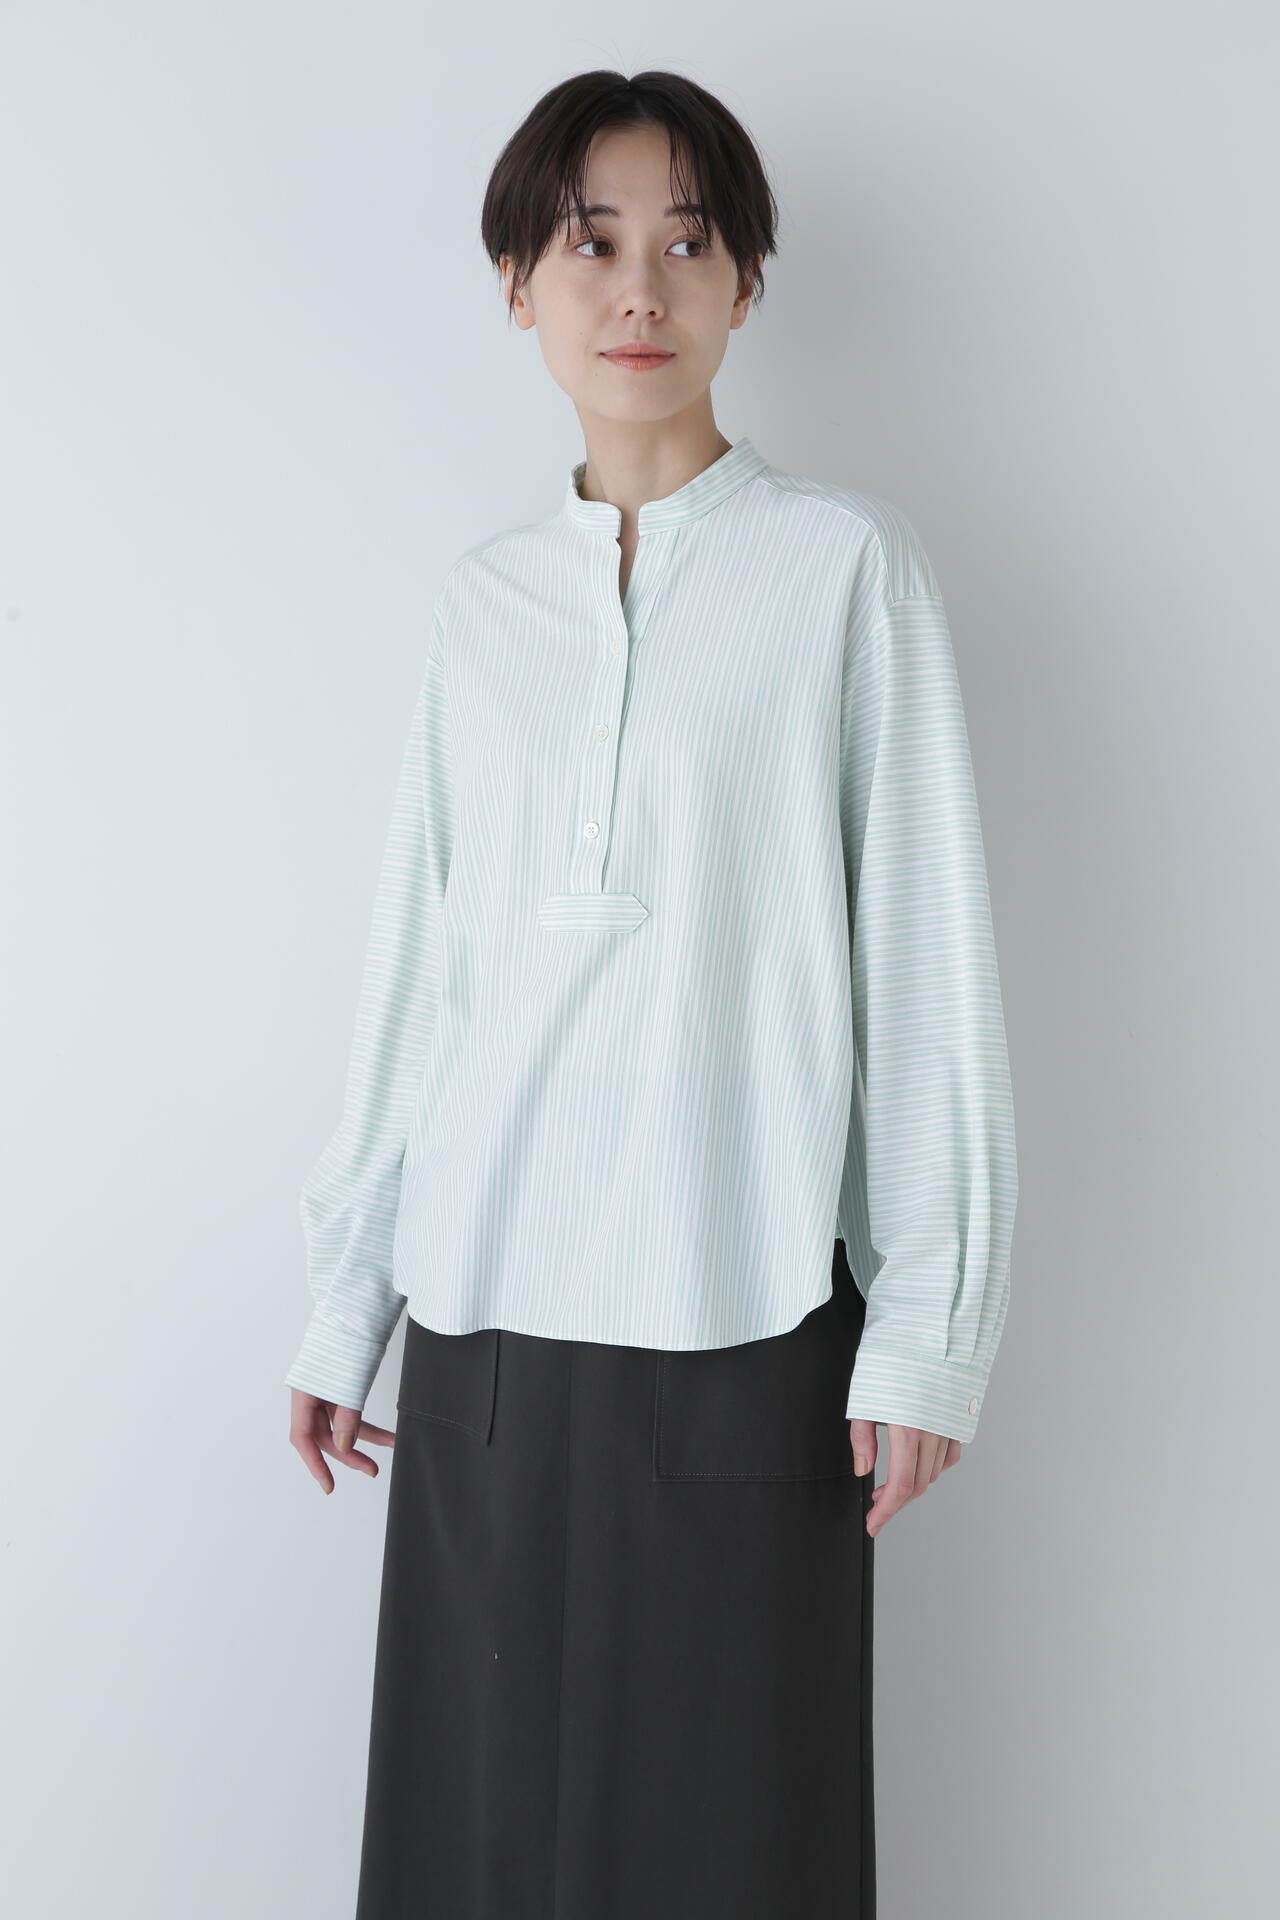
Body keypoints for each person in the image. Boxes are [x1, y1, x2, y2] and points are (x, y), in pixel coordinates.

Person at [285, 67, 1017, 1920]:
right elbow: (423, 970)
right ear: (516, 284)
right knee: (472, 1855)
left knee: (730, 1854)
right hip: (482, 1337)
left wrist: (927, 1324)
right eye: (589, 242)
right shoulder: (480, 610)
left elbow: (923, 954)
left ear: (746, 283)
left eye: (687, 243)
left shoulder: (844, 572)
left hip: (744, 1308)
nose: (638, 288)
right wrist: (348, 1297)